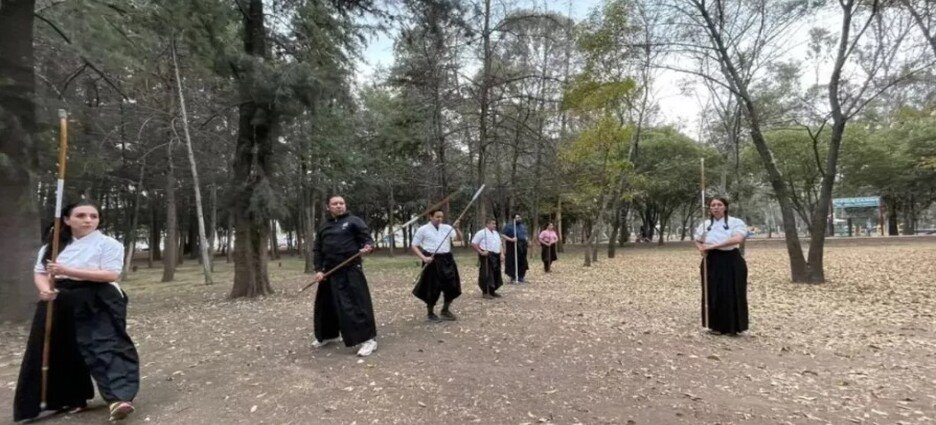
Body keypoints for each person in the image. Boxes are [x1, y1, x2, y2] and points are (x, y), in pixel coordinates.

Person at [14, 200, 140, 422]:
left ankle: (119, 398)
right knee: (58, 347)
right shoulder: (52, 246)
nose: (88, 220)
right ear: (66, 219)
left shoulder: (108, 244)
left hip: (99, 297)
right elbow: (41, 272)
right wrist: (45, 290)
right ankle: (67, 398)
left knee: (104, 344)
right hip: (60, 298)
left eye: (93, 216)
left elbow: (111, 275)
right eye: (81, 215)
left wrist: (67, 269)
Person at [311, 196, 378, 357]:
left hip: (350, 270)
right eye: (335, 204)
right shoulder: (324, 227)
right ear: (328, 207)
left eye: (341, 203)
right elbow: (318, 250)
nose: (339, 206)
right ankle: (330, 335)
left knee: (355, 305)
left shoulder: (354, 221)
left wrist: (367, 248)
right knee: (327, 306)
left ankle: (368, 340)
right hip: (329, 272)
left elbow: (367, 241)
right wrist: (319, 270)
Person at [693, 197, 749, 336]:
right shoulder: (705, 225)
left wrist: (713, 245)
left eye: (719, 205)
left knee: (732, 291)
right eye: (713, 205)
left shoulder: (736, 222)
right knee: (713, 292)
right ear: (710, 208)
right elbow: (697, 239)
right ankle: (715, 326)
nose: (716, 207)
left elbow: (737, 239)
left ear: (725, 207)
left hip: (731, 260)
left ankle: (733, 327)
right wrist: (702, 249)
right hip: (711, 260)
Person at [411, 209, 463, 322]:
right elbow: (414, 245)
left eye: (441, 217)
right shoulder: (423, 229)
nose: (440, 219)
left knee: (452, 286)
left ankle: (445, 310)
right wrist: (424, 258)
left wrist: (456, 228)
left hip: (447, 259)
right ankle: (430, 313)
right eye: (437, 216)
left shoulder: (447, 228)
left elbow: (459, 240)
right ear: (430, 216)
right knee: (432, 287)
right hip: (431, 260)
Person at [470, 218, 505, 299]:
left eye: (495, 224)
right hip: (486, 255)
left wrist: (502, 254)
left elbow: (499, 244)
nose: (494, 225)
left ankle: (492, 291)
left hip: (496, 255)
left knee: (496, 273)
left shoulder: (496, 233)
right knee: (487, 273)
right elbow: (473, 243)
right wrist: (480, 252)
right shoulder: (482, 233)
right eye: (493, 223)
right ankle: (485, 291)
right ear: (487, 224)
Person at [502, 214, 529, 283]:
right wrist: (511, 239)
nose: (519, 219)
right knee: (512, 261)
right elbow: (503, 235)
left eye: (520, 217)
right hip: (512, 246)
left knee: (522, 262)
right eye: (517, 217)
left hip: (522, 246)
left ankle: (521, 277)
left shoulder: (522, 226)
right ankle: (513, 277)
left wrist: (526, 238)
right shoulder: (509, 226)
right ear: (513, 219)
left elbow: (525, 234)